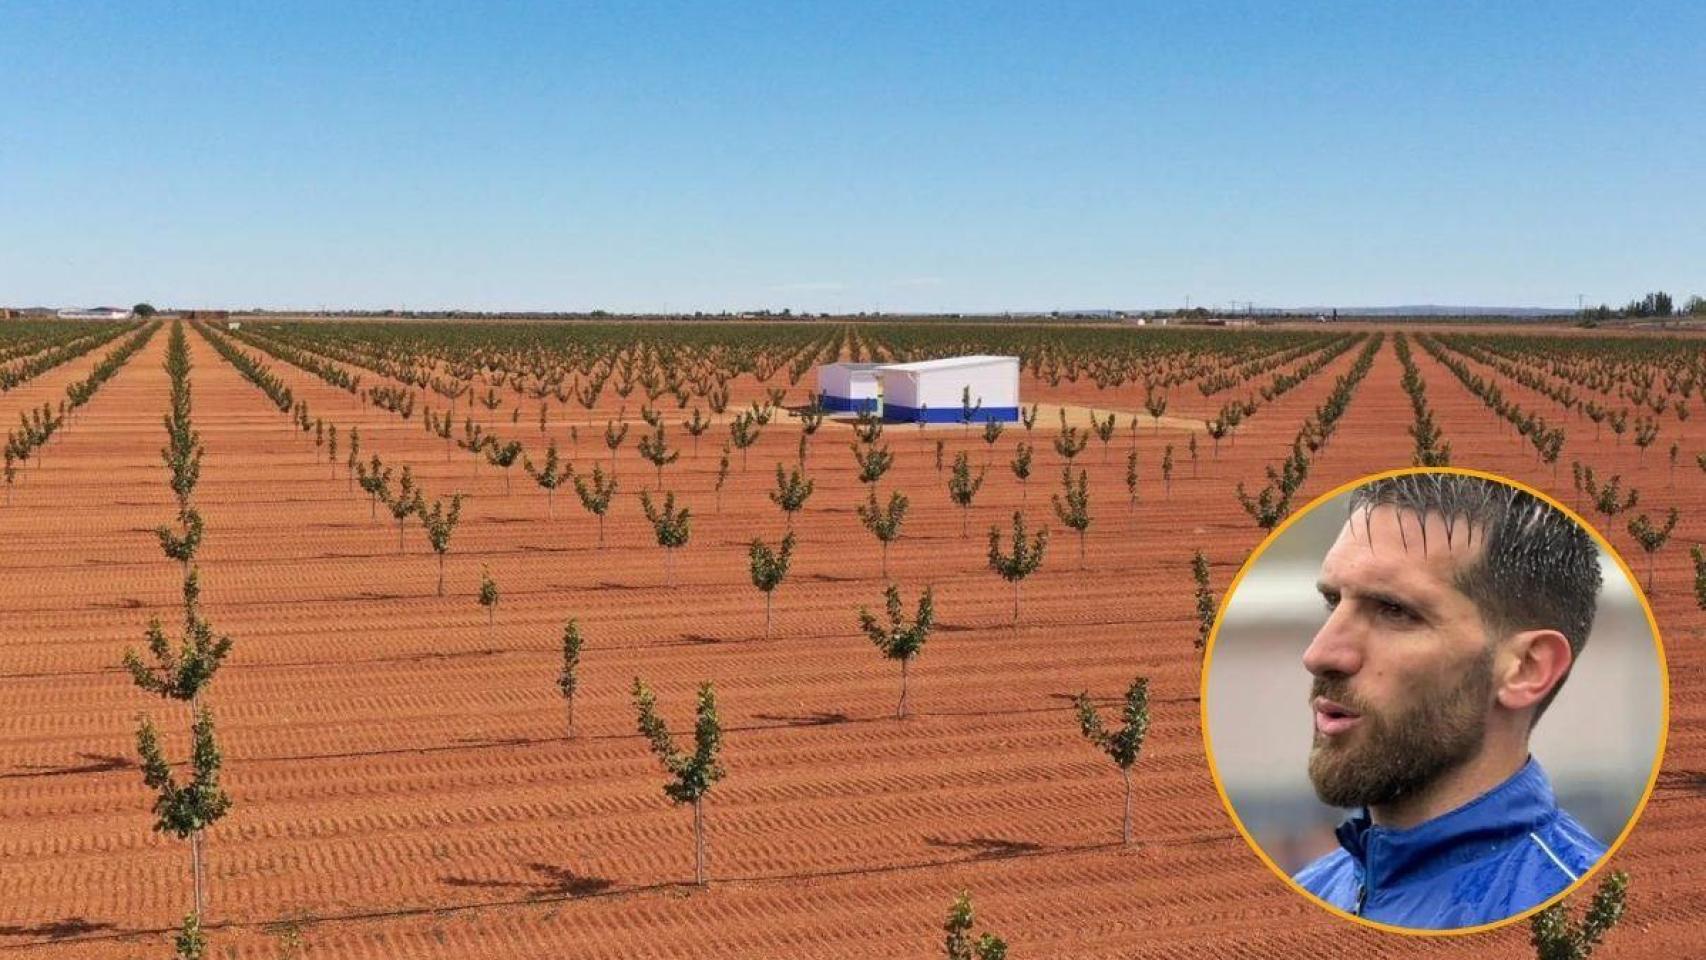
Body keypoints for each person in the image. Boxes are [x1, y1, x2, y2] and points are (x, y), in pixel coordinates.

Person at [1291, 473, 1607, 929]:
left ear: (1527, 668)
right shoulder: (1310, 896)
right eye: (1333, 601)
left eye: (1394, 611)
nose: (1319, 654)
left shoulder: (1576, 923)